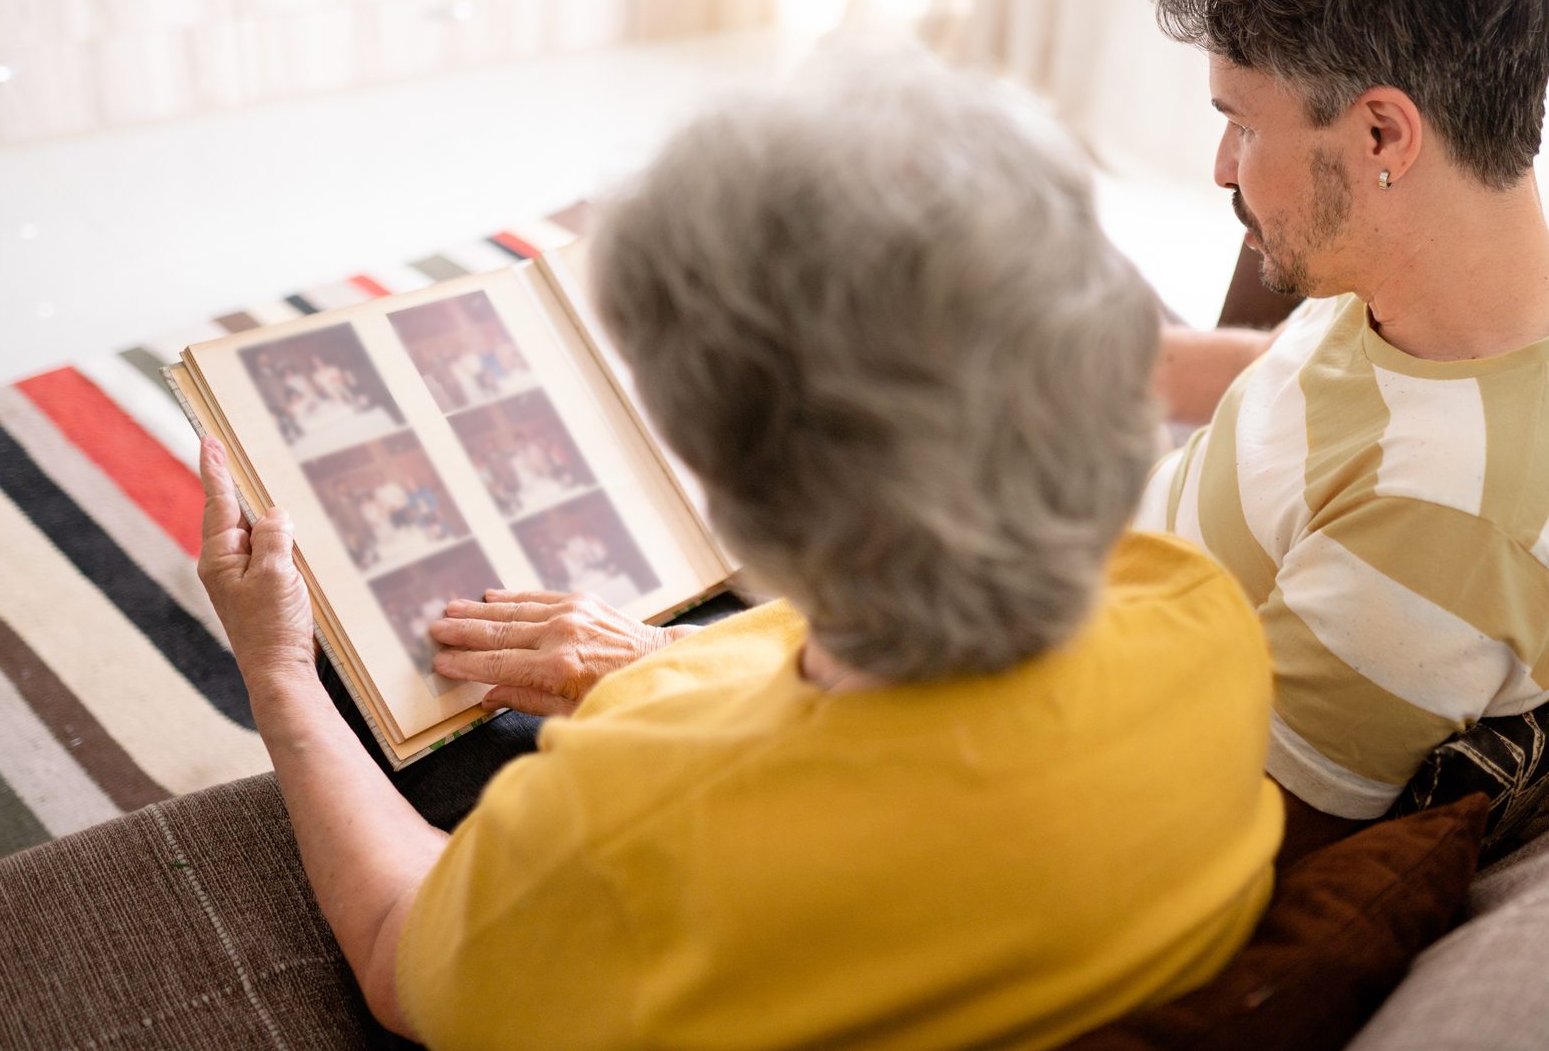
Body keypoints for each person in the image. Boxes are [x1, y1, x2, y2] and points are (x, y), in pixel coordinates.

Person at [194, 64, 1282, 1049]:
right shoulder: (1197, 612)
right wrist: (662, 672)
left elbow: (398, 953)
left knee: (362, 670)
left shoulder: (625, 827)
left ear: (736, 494)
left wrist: (281, 674)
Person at [1139, 0, 1549, 861]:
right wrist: (1135, 364)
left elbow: (1220, 828)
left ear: (1379, 138)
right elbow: (1314, 410)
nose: (1220, 165)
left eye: (1239, 121)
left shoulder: (1445, 525)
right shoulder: (1470, 279)